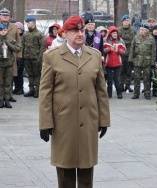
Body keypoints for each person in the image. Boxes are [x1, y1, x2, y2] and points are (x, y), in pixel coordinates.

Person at [39, 15, 110, 188]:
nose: (80, 34)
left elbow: (101, 91)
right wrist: (45, 123)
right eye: (75, 31)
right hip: (63, 123)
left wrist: (103, 120)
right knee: (65, 173)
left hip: (88, 122)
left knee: (86, 173)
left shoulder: (94, 55)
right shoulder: (52, 57)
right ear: (65, 33)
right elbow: (45, 92)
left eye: (82, 30)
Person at [129, 24, 156, 100]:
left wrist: (153, 63)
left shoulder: (151, 39)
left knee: (146, 78)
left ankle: (147, 93)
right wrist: (130, 59)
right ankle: (136, 93)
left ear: (147, 31)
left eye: (142, 30)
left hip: (147, 61)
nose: (141, 31)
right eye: (140, 29)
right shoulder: (136, 37)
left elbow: (153, 52)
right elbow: (132, 49)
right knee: (136, 78)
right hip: (137, 60)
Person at [0, 8, 20, 103]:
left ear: (9, 16)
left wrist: (19, 55)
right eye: (3, 15)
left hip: (11, 56)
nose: (5, 16)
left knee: (9, 77)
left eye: (7, 15)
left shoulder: (14, 27)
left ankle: (9, 96)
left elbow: (18, 41)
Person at [22, 16, 46, 98]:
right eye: (27, 23)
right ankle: (31, 89)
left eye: (29, 22)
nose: (27, 24)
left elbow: (42, 47)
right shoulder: (26, 34)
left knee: (37, 75)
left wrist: (40, 58)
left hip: (36, 58)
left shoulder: (39, 34)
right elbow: (23, 45)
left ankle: (37, 91)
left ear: (34, 23)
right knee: (30, 75)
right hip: (27, 58)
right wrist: (22, 57)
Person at [103, 26, 126, 99]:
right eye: (113, 33)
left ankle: (119, 93)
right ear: (110, 34)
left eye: (116, 33)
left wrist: (118, 51)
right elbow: (102, 51)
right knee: (109, 80)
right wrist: (109, 49)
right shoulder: (105, 41)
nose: (115, 34)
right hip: (108, 63)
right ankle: (109, 94)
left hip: (117, 63)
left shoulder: (121, 41)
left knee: (117, 79)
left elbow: (125, 52)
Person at [118, 14, 136, 92]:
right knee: (121, 70)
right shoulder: (119, 30)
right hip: (121, 52)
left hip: (130, 52)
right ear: (122, 22)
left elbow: (135, 41)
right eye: (125, 21)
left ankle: (128, 85)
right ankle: (121, 84)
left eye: (128, 20)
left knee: (129, 70)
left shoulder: (133, 30)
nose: (126, 22)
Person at [14, 22, 25, 95]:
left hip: (21, 57)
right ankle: (16, 88)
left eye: (18, 28)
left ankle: (20, 88)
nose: (17, 30)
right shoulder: (14, 37)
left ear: (21, 29)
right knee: (15, 74)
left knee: (20, 74)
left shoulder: (23, 37)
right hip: (14, 57)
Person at [151, 25, 157, 97]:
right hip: (149, 60)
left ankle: (155, 91)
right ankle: (147, 90)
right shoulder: (149, 38)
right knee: (148, 76)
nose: (156, 31)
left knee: (156, 77)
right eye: (155, 29)